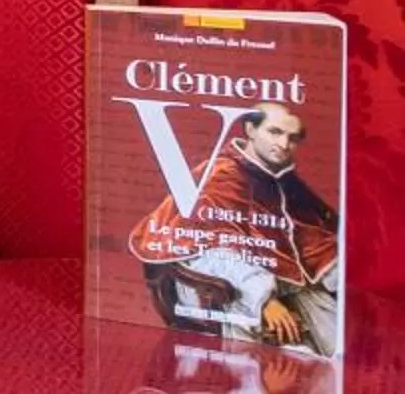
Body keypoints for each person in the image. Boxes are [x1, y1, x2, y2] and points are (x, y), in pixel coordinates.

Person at [131, 102, 341, 357]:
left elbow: (313, 236)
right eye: (275, 132)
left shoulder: (280, 179)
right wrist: (263, 299)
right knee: (286, 361)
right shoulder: (221, 175)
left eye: (293, 138)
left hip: (281, 280)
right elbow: (205, 249)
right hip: (222, 286)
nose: (284, 145)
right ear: (250, 129)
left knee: (340, 340)